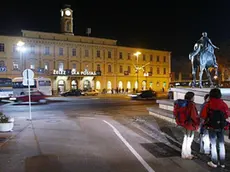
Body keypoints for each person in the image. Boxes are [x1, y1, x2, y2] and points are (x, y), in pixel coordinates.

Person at [201, 88, 229, 168]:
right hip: (220, 126)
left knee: (213, 144)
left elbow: (203, 116)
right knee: (221, 144)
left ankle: (214, 162)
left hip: (211, 127)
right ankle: (222, 163)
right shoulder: (223, 104)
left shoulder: (208, 104)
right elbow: (227, 115)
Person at [174, 92, 200, 159]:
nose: (194, 98)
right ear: (191, 97)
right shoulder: (191, 104)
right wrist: (197, 123)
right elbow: (193, 115)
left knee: (186, 138)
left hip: (184, 123)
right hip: (190, 124)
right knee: (189, 139)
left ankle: (184, 154)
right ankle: (188, 154)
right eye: (193, 97)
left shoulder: (182, 103)